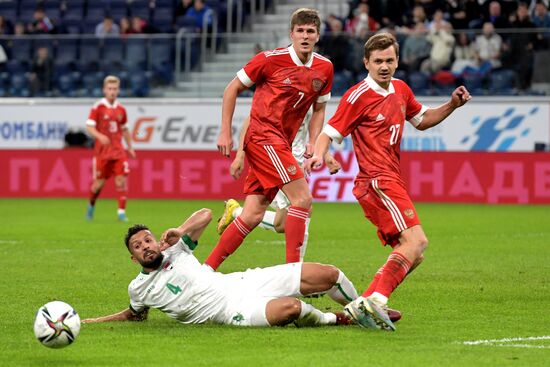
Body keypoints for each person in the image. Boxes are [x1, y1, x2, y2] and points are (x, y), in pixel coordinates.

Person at [305, 33, 471, 330]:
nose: (384, 66)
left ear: (397, 61)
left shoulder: (400, 89)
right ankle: (376, 300)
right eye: (378, 61)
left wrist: (451, 105)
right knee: (417, 241)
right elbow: (328, 133)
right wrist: (320, 154)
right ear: (366, 62)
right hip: (376, 181)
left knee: (413, 255)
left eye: (389, 60)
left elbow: (422, 120)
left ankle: (362, 304)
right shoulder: (358, 96)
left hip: (391, 179)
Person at [81, 208, 378, 329]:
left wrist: (181, 229)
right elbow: (134, 314)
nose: (145, 246)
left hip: (239, 282)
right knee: (290, 309)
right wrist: (93, 321)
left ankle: (363, 308)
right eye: (137, 246)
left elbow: (207, 215)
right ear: (134, 259)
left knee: (327, 273)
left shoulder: (176, 248)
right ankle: (337, 320)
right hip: (226, 312)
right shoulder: (139, 287)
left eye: (147, 239)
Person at [205, 8, 334, 270]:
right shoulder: (269, 60)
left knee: (253, 214)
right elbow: (232, 89)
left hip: (282, 143)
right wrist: (225, 131)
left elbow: (319, 108)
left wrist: (312, 140)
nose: (305, 36)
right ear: (291, 34)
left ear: (318, 35)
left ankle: (205, 269)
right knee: (303, 200)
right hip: (264, 137)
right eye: (300, 31)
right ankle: (293, 277)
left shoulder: (325, 68)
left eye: (310, 31)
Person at [217, 109, 341, 262]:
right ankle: (296, 271)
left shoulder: (311, 93)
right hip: (279, 156)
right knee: (304, 208)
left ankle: (236, 211)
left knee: (282, 224)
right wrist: (240, 156)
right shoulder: (277, 90)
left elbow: (315, 128)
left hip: (297, 158)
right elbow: (251, 121)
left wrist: (325, 155)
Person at [85, 76, 136, 222]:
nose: (112, 92)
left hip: (118, 151)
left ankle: (121, 213)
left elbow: (125, 129)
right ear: (104, 90)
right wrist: (99, 136)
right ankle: (91, 206)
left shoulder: (121, 109)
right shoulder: (98, 107)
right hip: (102, 153)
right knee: (98, 185)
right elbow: (89, 126)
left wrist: (130, 147)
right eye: (110, 89)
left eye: (115, 89)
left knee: (121, 181)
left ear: (118, 90)